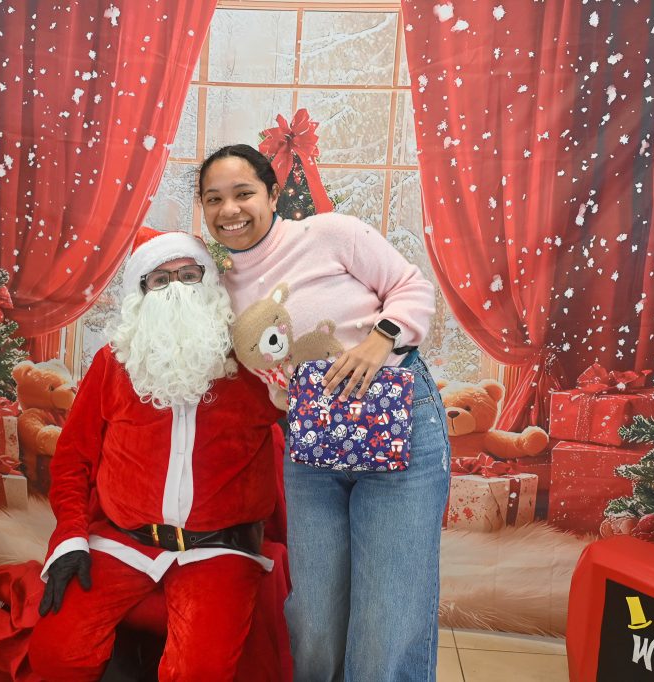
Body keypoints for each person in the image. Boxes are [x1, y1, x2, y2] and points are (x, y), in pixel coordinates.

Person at [198, 143, 451, 682]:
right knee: (313, 622)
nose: (230, 210)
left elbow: (412, 286)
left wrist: (381, 340)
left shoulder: (329, 234)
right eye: (214, 199)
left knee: (384, 625)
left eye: (243, 193)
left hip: (395, 423)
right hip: (311, 445)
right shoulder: (217, 285)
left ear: (272, 195)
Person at [28, 227, 283, 681]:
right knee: (56, 655)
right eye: (161, 280)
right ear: (141, 293)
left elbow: (304, 419)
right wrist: (69, 537)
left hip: (218, 548)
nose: (177, 288)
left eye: (188, 274)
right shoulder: (113, 363)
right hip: (123, 541)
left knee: (199, 672)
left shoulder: (252, 366)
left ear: (208, 282)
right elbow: (73, 459)